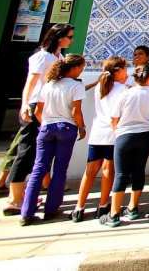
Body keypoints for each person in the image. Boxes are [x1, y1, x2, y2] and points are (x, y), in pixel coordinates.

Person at [0, 24, 74, 213]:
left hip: (48, 108)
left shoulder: (59, 57)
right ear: (59, 37)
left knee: (38, 150)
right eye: (69, 37)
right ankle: (15, 198)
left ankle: (28, 192)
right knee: (27, 149)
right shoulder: (41, 57)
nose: (71, 40)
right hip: (35, 106)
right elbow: (31, 82)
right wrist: (25, 105)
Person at [20, 54, 87, 225]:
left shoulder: (48, 85)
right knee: (60, 169)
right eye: (81, 67)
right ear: (74, 68)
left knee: (39, 167)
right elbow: (75, 112)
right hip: (66, 128)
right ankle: (51, 208)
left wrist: (46, 124)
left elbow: (37, 111)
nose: (82, 70)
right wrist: (81, 127)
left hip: (46, 129)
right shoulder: (75, 86)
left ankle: (26, 211)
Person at [101, 62, 149, 227]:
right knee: (138, 170)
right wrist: (147, 126)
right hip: (145, 135)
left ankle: (113, 213)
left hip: (124, 136)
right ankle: (132, 207)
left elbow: (114, 117)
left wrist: (118, 131)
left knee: (121, 174)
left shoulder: (124, 94)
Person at [72, 57, 127, 222]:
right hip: (111, 134)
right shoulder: (121, 89)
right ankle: (103, 205)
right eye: (124, 69)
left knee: (90, 171)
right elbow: (118, 113)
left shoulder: (100, 86)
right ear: (118, 71)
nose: (126, 73)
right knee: (108, 170)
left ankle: (79, 208)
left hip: (96, 134)